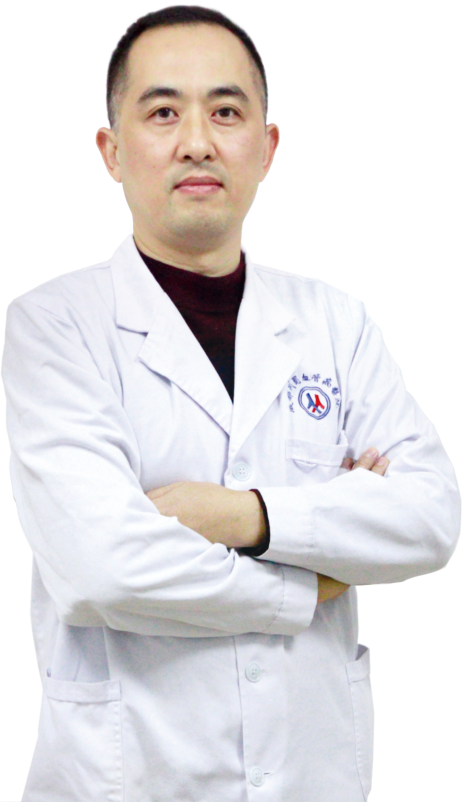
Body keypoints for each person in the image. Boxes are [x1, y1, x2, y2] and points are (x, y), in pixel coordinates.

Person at [2, 6, 461, 802]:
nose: (196, 142)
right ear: (111, 151)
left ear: (266, 147)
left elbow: (427, 518)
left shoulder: (335, 321)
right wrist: (310, 579)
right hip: (130, 778)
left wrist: (239, 515)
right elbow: (102, 568)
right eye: (162, 113)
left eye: (225, 111)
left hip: (312, 775)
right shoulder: (55, 323)